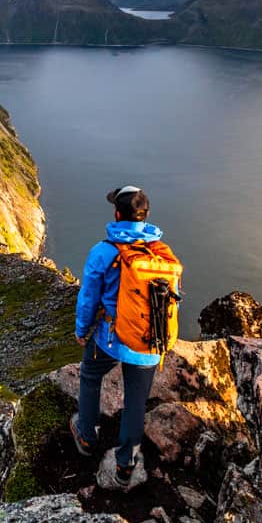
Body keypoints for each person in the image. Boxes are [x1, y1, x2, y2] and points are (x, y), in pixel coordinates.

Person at [70, 184, 178, 488]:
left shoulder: (104, 251)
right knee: (135, 401)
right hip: (148, 343)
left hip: (111, 339)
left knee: (90, 375)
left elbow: (88, 298)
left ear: (117, 214)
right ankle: (126, 464)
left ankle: (87, 436)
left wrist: (81, 330)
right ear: (145, 217)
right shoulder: (162, 255)